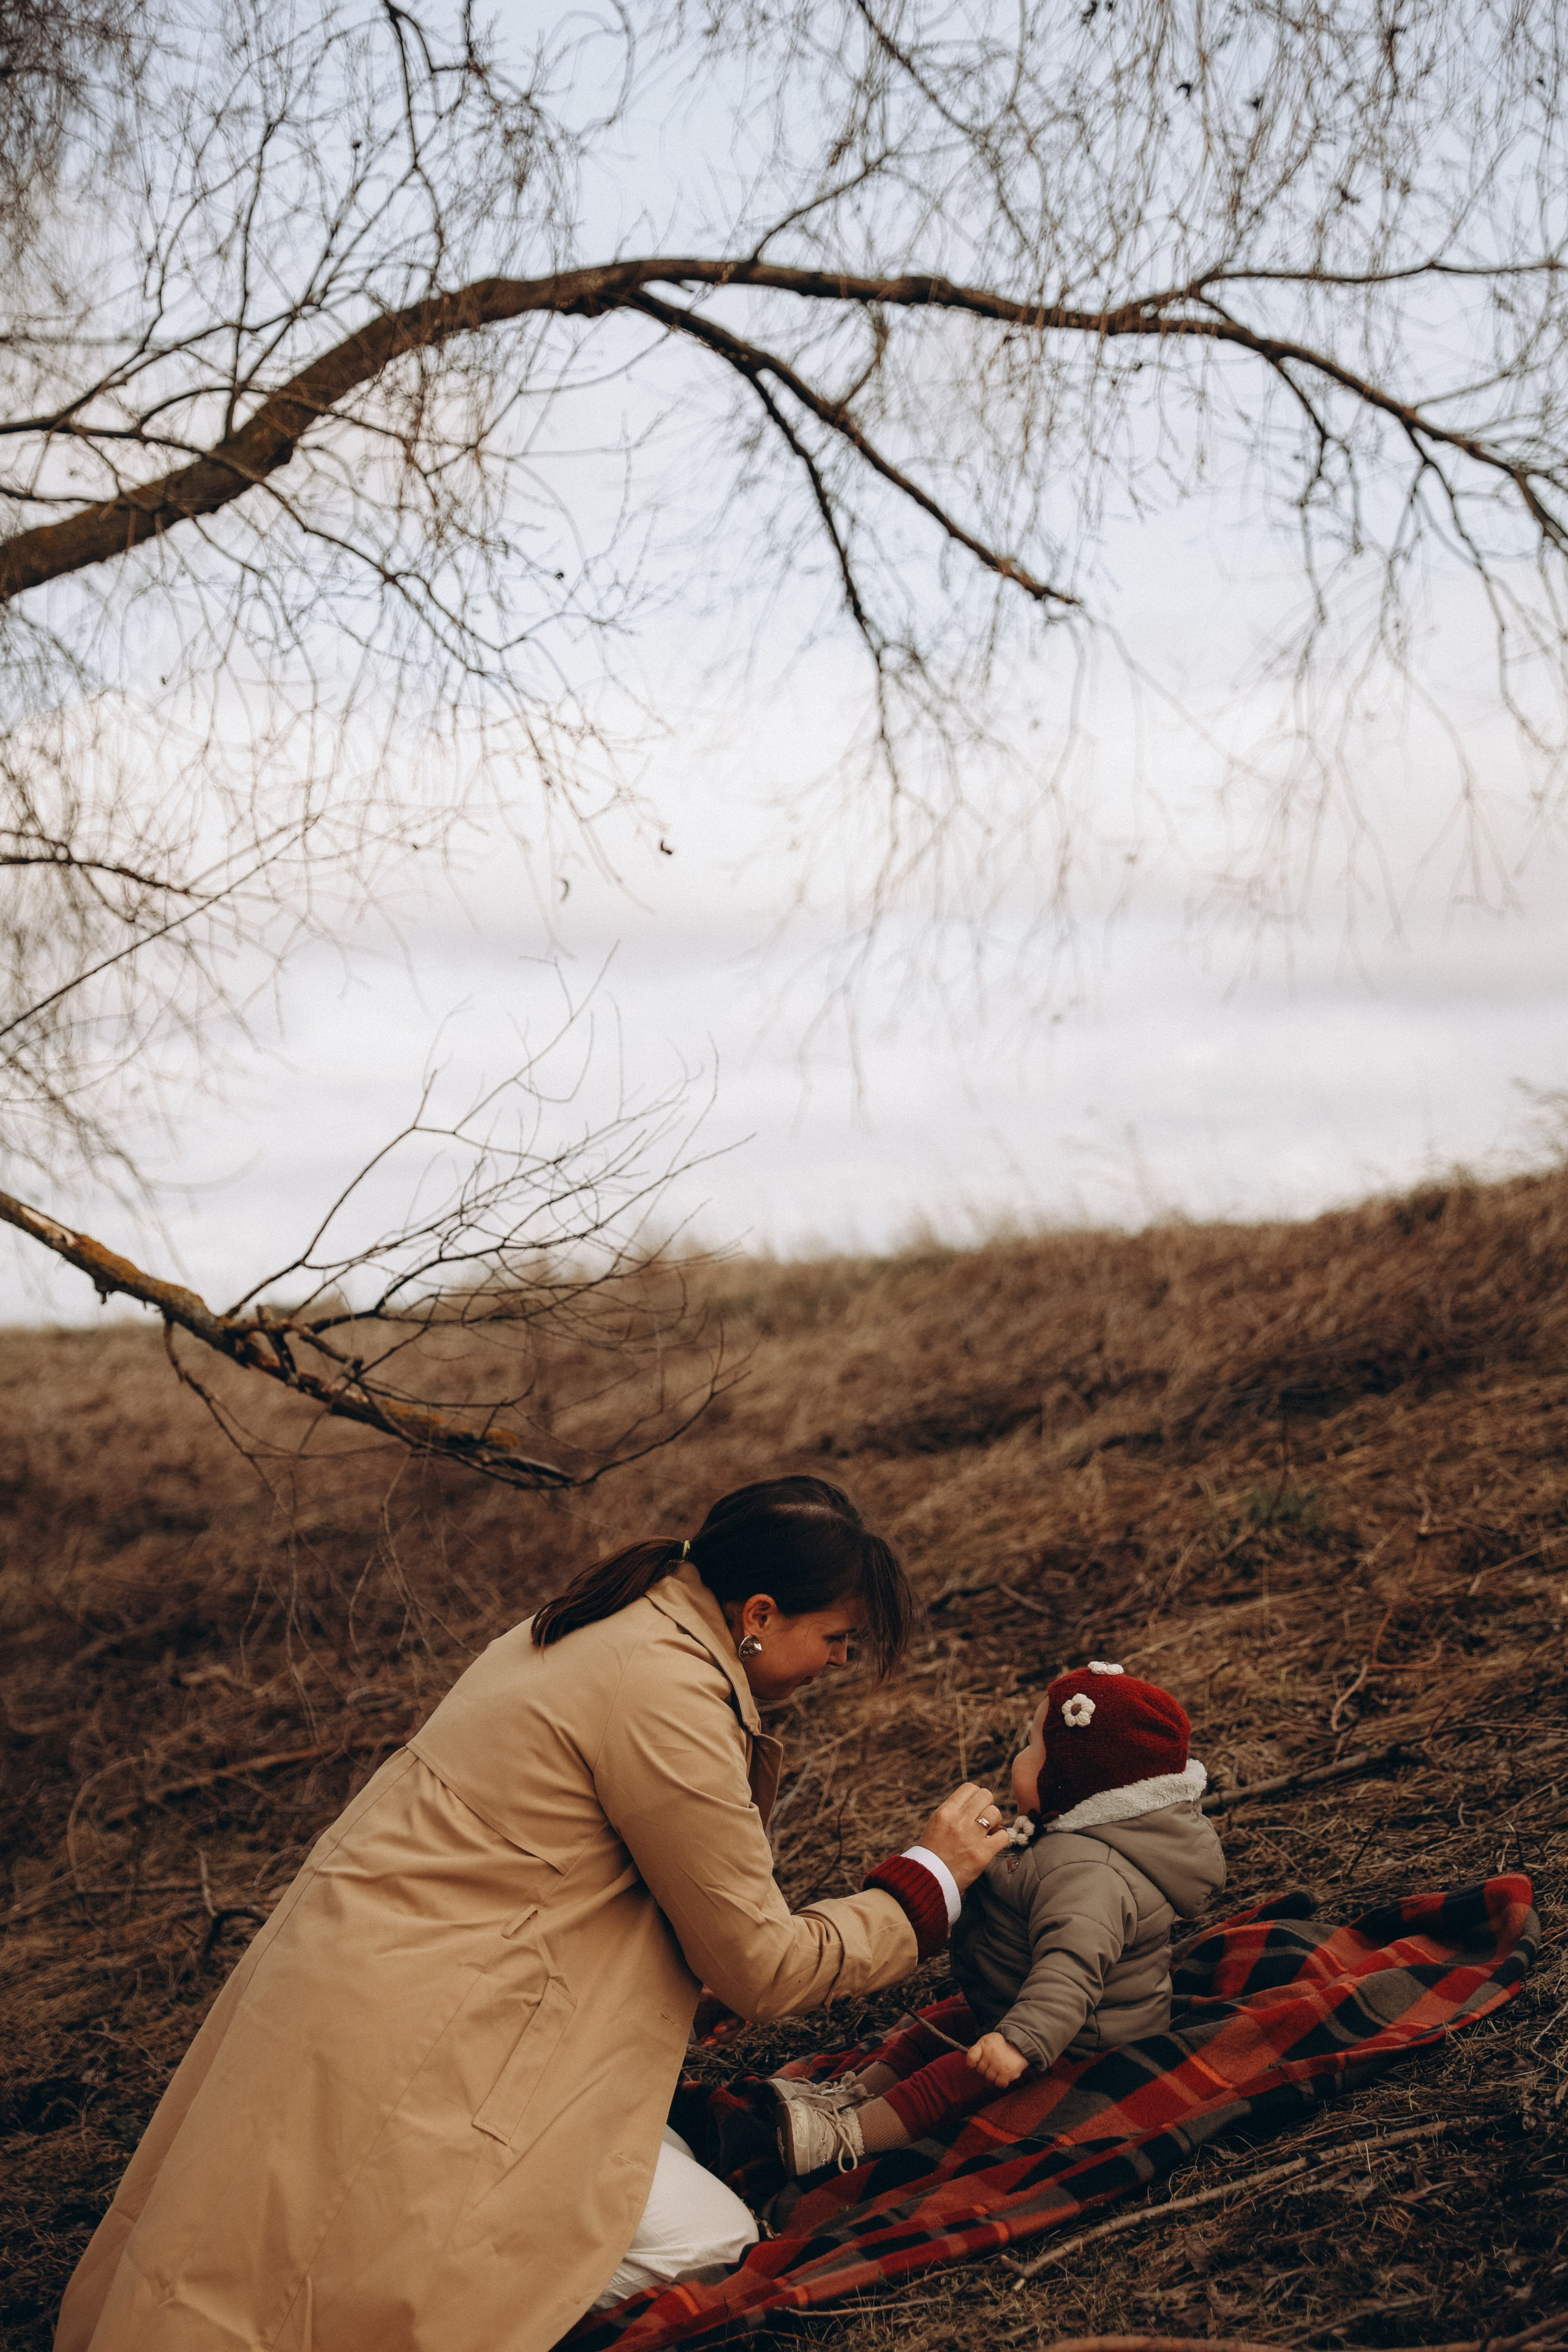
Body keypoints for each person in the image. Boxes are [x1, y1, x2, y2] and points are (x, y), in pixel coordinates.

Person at [57, 1476, 1011, 2352]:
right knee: (710, 2243)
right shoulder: (667, 1693)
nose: (839, 1662)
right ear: (759, 1614)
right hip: (426, 2051)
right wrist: (929, 1879)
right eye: (838, 1639)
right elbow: (762, 1967)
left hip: (367, 1999)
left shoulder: (616, 1625)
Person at [772, 1659, 1226, 2173]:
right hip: (1014, 2001)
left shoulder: (1091, 1876)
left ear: (1071, 1778)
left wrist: (1020, 2043)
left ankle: (846, 2137)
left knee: (957, 2076)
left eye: (1033, 1748)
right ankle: (848, 2095)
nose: (1019, 1757)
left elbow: (1071, 1972)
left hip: (1077, 2040)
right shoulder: (1063, 1839)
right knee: (932, 2031)